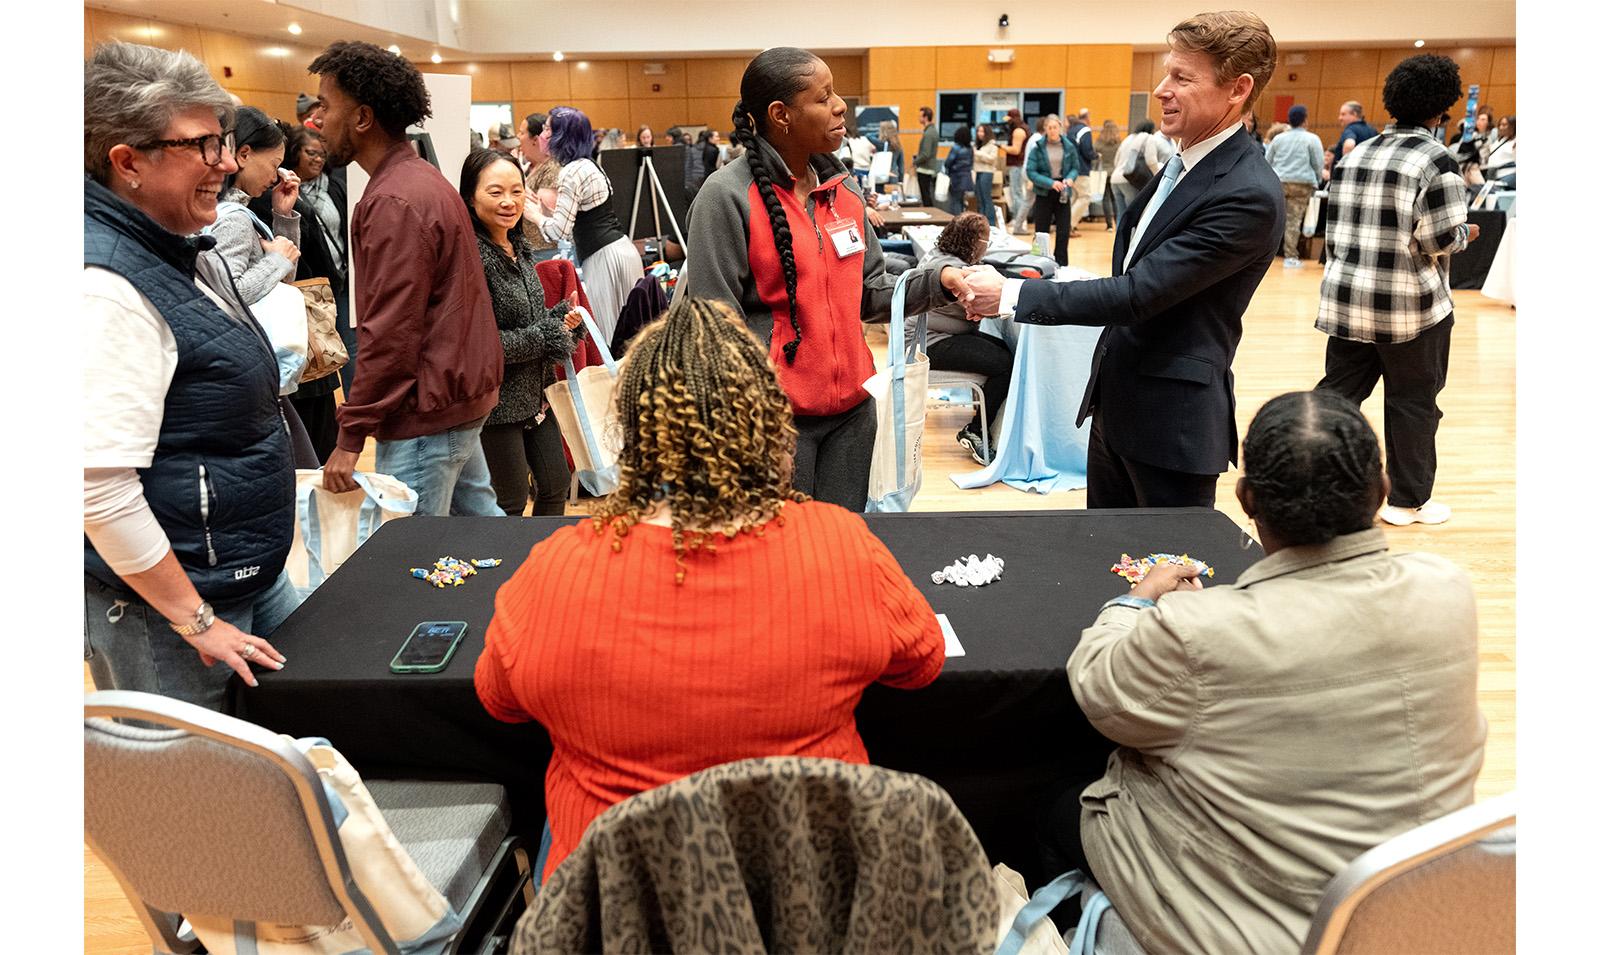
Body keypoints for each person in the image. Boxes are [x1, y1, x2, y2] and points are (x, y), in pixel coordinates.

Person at [474, 296, 946, 883]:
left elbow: (498, 697)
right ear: (766, 419)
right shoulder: (841, 543)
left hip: (614, 906)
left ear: (632, 432)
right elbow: (922, 662)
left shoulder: (555, 568)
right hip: (808, 899)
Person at [1053, 390, 1485, 953]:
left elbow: (1098, 690)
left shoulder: (1200, 630)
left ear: (1246, 498)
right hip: (1411, 908)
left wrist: (1136, 604)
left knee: (1057, 804)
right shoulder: (1449, 590)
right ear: (1381, 492)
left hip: (1257, 931)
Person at [963, 11, 1285, 509]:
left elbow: (1139, 294)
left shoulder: (1246, 192)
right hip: (1119, 404)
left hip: (1170, 425)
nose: (1161, 89)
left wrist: (1008, 294)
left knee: (1165, 577)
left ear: (1238, 89)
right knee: (1105, 558)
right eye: (1166, 73)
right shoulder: (1184, 163)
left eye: (1181, 77)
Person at [84, 42, 294, 709]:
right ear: (128, 162)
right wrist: (194, 620)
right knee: (201, 805)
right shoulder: (106, 286)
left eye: (225, 140)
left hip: (238, 575)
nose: (228, 163)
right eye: (203, 145)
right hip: (174, 613)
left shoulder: (181, 242)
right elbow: (99, 489)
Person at [678, 47, 975, 510]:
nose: (841, 106)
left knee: (840, 549)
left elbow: (871, 294)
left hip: (854, 415)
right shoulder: (726, 197)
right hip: (774, 420)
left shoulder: (844, 191)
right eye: (824, 97)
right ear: (781, 115)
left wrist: (942, 281)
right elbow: (714, 329)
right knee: (785, 563)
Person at [310, 40, 506, 517]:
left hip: (427, 408)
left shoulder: (394, 200)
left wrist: (350, 435)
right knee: (482, 536)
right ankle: (535, 592)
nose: (316, 119)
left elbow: (391, 331)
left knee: (414, 561)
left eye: (325, 104)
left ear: (362, 117)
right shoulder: (421, 178)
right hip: (453, 396)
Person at [1316, 53, 1481, 527]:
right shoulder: (1438, 160)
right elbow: (1437, 239)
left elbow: (1336, 230)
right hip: (1411, 307)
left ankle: (1311, 478)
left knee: (1336, 397)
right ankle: (1407, 501)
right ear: (1441, 109)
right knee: (1413, 401)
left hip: (1348, 298)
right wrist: (1465, 234)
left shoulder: (1354, 155)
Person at [461, 149, 584, 517]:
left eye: (517, 191)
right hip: (497, 405)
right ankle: (508, 573)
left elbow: (526, 320)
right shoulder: (473, 258)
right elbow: (482, 345)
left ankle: (544, 568)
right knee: (510, 502)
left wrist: (561, 320)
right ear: (470, 196)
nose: (509, 202)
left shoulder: (518, 246)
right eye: (495, 192)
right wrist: (547, 334)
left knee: (555, 485)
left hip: (536, 395)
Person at [249, 124, 347, 461]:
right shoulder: (234, 212)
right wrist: (278, 259)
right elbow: (237, 291)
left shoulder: (278, 196)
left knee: (316, 446)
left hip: (295, 338)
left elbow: (291, 266)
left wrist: (285, 216)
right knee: (305, 456)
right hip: (277, 344)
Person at [525, 105, 645, 345]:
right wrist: (545, 210)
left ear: (561, 135)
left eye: (548, 128)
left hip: (604, 257)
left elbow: (559, 231)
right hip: (620, 250)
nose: (543, 135)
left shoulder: (571, 171)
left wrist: (534, 215)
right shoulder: (588, 165)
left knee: (610, 336)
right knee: (632, 333)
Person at [907, 212, 1012, 463]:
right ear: (975, 242)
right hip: (929, 343)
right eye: (987, 241)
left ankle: (983, 422)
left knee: (1004, 350)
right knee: (1005, 364)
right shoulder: (960, 272)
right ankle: (976, 431)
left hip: (922, 338)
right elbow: (996, 306)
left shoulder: (939, 256)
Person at [1264, 104, 1323, 268]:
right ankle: (1290, 256)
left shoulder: (1279, 138)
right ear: (1305, 120)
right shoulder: (1312, 139)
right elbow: (1318, 163)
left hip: (1279, 182)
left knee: (1273, 219)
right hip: (1302, 184)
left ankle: (1265, 254)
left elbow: (1268, 161)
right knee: (1293, 221)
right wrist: (1317, 179)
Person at [1025, 114, 1080, 266]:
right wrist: (1049, 183)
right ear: (1045, 130)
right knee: (1042, 230)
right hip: (1044, 191)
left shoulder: (1069, 146)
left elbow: (1076, 167)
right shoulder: (1037, 148)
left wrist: (1070, 178)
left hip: (1063, 190)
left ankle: (1062, 263)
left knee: (1063, 230)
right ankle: (1040, 262)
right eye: (1049, 128)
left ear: (1060, 128)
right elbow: (1031, 171)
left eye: (1055, 127)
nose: (1052, 130)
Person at [516, 111, 562, 262]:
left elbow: (542, 209)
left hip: (547, 250)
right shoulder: (537, 166)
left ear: (535, 139)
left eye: (522, 133)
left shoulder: (552, 167)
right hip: (535, 248)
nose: (517, 137)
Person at [1108, 119, 1159, 230]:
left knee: (1121, 216)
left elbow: (1116, 160)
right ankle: (1130, 245)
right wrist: (1158, 176)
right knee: (1134, 216)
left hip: (1115, 179)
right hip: (1130, 180)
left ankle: (1119, 245)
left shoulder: (1128, 138)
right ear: (1151, 129)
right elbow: (1151, 161)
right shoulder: (1149, 138)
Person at [1064, 108, 1095, 235]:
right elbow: (1087, 150)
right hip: (1081, 169)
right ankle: (1069, 225)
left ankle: (1066, 224)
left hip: (1070, 169)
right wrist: (1096, 156)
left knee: (1076, 197)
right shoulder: (1085, 130)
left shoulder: (1070, 131)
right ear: (1087, 118)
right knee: (1085, 197)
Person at [1001, 107, 1031, 231]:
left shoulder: (1018, 131)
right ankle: (1018, 218)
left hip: (1017, 165)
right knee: (1017, 192)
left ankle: (1019, 219)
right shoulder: (1023, 128)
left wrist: (1001, 146)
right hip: (1019, 165)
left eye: (1009, 120)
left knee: (1016, 193)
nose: (1007, 122)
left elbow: (1015, 149)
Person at [972, 123, 1002, 226]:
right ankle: (981, 223)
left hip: (987, 172)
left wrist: (978, 153)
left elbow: (992, 159)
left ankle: (991, 223)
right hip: (978, 172)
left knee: (986, 198)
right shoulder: (977, 145)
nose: (979, 133)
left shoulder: (992, 145)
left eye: (982, 131)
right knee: (979, 198)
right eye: (978, 131)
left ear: (987, 133)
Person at [1093, 119, 1121, 230]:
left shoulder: (1099, 143)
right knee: (1115, 199)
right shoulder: (1119, 143)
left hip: (1103, 172)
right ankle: (1117, 222)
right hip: (1115, 173)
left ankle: (1109, 225)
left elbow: (1094, 155)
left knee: (1105, 199)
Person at [941, 123, 974, 214]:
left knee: (954, 201)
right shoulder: (970, 148)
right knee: (961, 200)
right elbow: (971, 162)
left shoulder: (956, 148)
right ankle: (961, 218)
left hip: (956, 177)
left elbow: (948, 162)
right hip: (967, 178)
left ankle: (955, 219)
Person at [1334, 100, 1378, 165]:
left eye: (1343, 114)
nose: (1340, 118)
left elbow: (1349, 145)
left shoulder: (1350, 129)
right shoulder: (1372, 130)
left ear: (1354, 114)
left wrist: (1346, 166)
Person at [913, 105, 939, 207]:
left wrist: (914, 162)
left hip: (925, 169)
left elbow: (926, 154)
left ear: (926, 117)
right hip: (929, 167)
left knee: (926, 196)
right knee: (927, 195)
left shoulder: (929, 133)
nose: (919, 118)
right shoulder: (932, 131)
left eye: (920, 116)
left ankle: (930, 216)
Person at [873, 119, 904, 184]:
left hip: (880, 175)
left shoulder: (881, 143)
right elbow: (901, 166)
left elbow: (868, 135)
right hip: (893, 175)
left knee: (879, 194)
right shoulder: (898, 145)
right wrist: (901, 179)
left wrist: (882, 132)